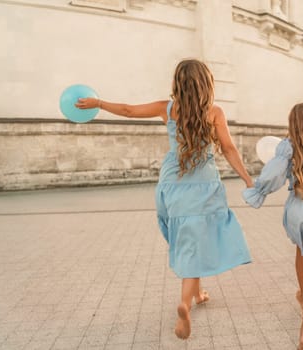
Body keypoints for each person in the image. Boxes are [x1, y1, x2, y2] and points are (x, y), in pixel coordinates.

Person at [76, 59, 253, 340]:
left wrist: (98, 103)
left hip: (172, 184)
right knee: (197, 240)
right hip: (203, 186)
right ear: (207, 84)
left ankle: (197, 293)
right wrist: (246, 177)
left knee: (188, 238)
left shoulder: (167, 109)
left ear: (177, 84)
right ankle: (184, 303)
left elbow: (128, 110)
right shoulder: (215, 113)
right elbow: (229, 148)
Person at [242, 102, 303, 350]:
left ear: (292, 123)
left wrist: (259, 191)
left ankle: (300, 293)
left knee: (300, 250)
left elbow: (273, 174)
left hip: (299, 206)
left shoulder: (287, 147)